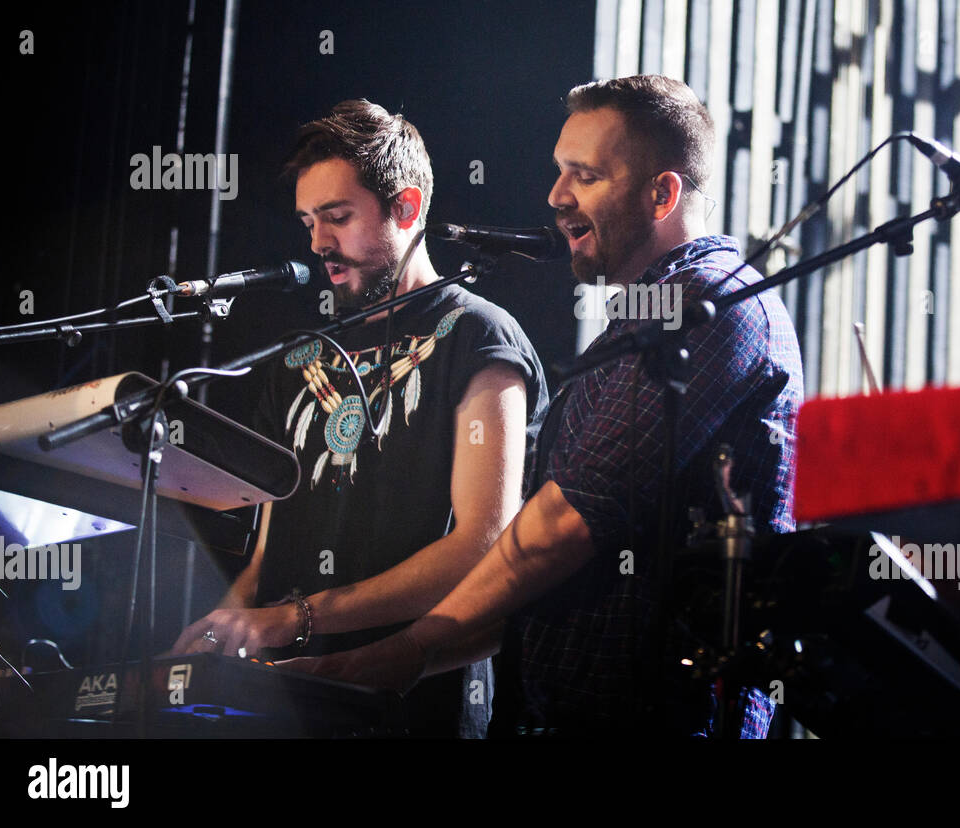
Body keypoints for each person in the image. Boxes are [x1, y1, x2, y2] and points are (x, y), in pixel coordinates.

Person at [295, 75, 804, 738]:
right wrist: (402, 663)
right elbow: (537, 574)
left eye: (583, 175)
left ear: (662, 193)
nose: (555, 196)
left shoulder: (709, 305)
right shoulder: (652, 312)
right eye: (559, 171)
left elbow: (564, 525)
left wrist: (402, 652)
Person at [172, 100, 549, 737]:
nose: (318, 242)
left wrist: (298, 618)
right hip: (286, 699)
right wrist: (212, 636)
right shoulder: (299, 360)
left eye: (337, 217)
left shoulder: (480, 338)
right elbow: (270, 553)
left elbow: (481, 546)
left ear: (406, 207)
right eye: (308, 221)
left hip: (411, 706)